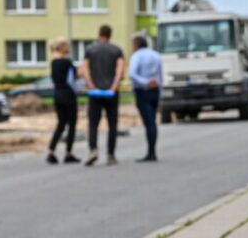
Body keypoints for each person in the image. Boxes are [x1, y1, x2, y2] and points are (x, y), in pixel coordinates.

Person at [79, 24, 125, 166]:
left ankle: (93, 150)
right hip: (111, 93)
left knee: (93, 124)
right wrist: (114, 87)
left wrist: (91, 85)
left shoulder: (90, 49)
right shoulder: (117, 50)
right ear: (110, 35)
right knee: (112, 125)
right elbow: (120, 71)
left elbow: (84, 69)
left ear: (99, 34)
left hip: (95, 93)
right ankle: (111, 155)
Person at [128, 33, 164, 163]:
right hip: (155, 91)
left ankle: (151, 153)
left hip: (143, 91)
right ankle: (152, 151)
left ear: (136, 45)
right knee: (152, 121)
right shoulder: (156, 55)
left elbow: (132, 74)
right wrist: (160, 91)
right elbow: (160, 76)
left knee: (148, 123)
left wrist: (145, 82)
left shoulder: (136, 56)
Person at [45, 38, 80, 164]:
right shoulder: (67, 62)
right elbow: (73, 78)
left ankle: (51, 151)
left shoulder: (53, 62)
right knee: (72, 124)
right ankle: (68, 153)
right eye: (67, 45)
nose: (69, 47)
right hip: (68, 95)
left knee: (60, 124)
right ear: (61, 47)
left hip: (57, 94)